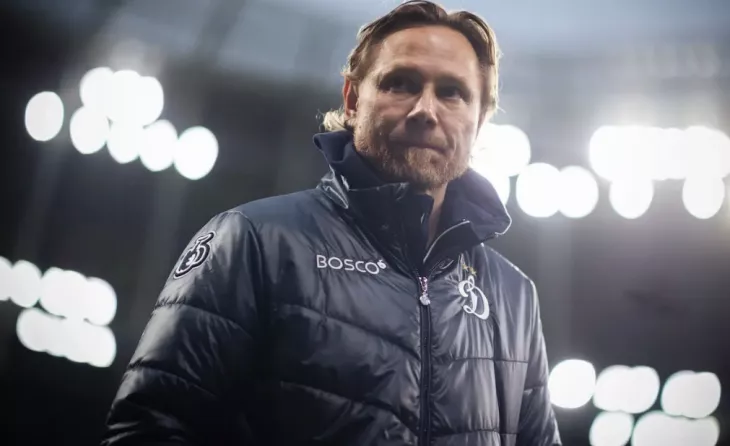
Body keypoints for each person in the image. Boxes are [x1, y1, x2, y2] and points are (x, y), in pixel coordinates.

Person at [101, 1, 561, 445]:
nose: (425, 110)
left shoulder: (514, 296)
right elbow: (148, 430)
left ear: (480, 121)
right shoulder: (254, 242)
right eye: (400, 83)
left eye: (452, 92)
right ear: (353, 99)